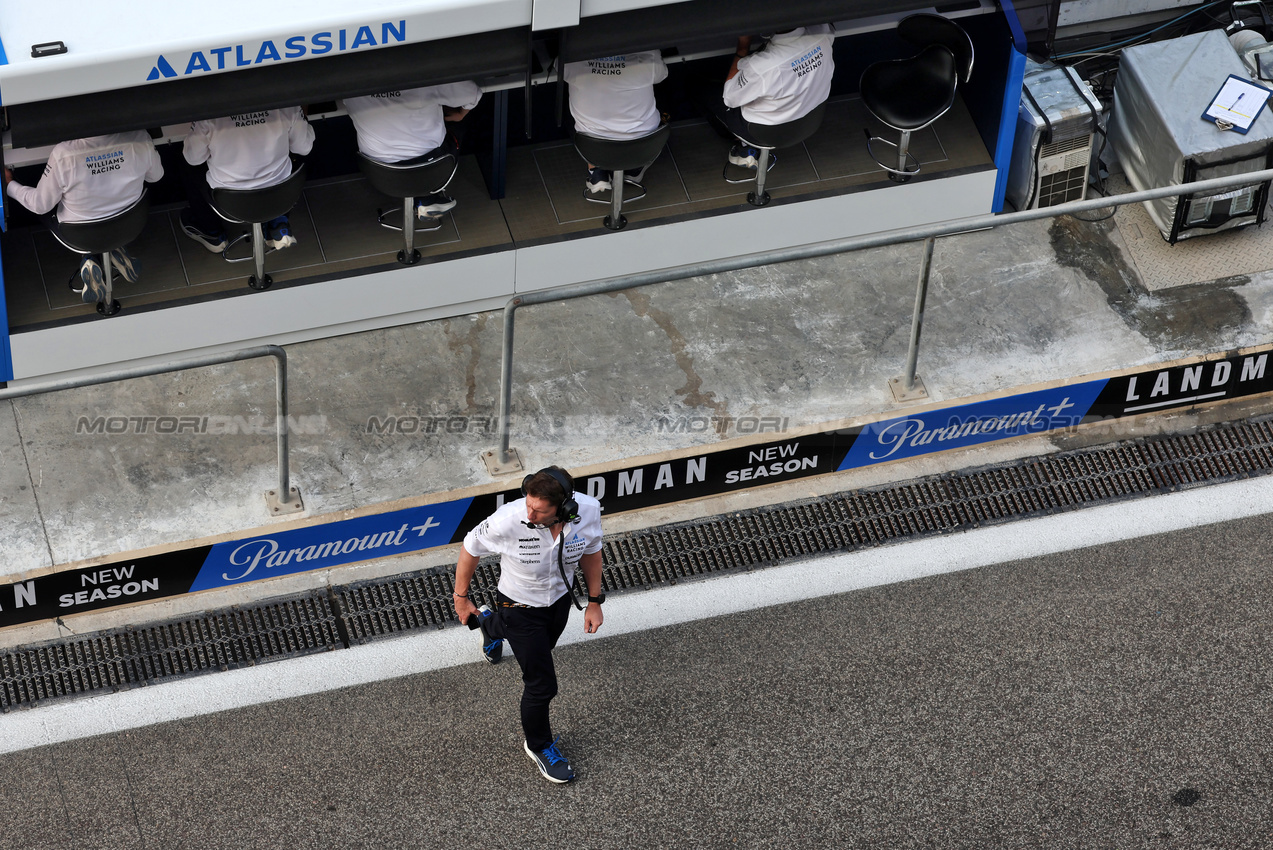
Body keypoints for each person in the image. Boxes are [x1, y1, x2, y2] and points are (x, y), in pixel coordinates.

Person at [452, 466, 606, 784]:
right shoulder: (507, 519)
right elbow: (470, 548)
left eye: (540, 510)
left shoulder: (588, 512)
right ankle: (538, 745)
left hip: (559, 602)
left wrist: (594, 601)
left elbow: (592, 552)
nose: (531, 514)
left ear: (564, 508)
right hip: (518, 606)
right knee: (541, 685)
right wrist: (459, 597)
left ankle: (487, 623)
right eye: (529, 504)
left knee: (539, 648)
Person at [3, 132, 163, 303]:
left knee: (47, 205)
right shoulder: (139, 137)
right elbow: (156, 176)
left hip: (81, 237)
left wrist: (9, 184)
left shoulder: (63, 153)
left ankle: (90, 259)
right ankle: (113, 249)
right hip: (130, 224)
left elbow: (39, 205)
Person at [179, 107, 315, 253]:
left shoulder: (207, 115)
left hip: (229, 201)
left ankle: (212, 234)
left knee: (188, 164)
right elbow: (304, 148)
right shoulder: (286, 105)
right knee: (295, 152)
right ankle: (277, 222)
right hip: (281, 195)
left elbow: (193, 158)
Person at [343, 81, 482, 220]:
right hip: (431, 167)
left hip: (378, 171)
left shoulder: (348, 79)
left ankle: (425, 198)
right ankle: (427, 198)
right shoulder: (422, 76)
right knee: (456, 125)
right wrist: (461, 114)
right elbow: (473, 93)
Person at [716, 25, 836, 169]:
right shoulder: (823, 33)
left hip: (765, 132)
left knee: (702, 89)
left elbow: (730, 98)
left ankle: (742, 145)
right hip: (812, 119)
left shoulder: (761, 65)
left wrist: (743, 47)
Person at [562, 51, 668, 195]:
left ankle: (596, 173)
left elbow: (558, 66)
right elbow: (662, 73)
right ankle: (634, 170)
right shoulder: (647, 57)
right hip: (645, 146)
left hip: (593, 148)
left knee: (569, 108)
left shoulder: (573, 60)